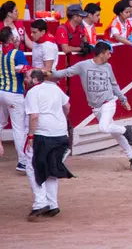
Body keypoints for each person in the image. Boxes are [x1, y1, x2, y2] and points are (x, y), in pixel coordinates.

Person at [49, 42, 132, 173]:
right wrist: (49, 74)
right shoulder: (83, 66)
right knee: (115, 133)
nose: (110, 56)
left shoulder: (108, 67)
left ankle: (126, 129)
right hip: (96, 107)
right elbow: (66, 72)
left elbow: (114, 85)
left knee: (103, 127)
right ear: (102, 54)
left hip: (108, 102)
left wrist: (122, 99)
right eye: (108, 53)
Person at [23, 69, 74, 221]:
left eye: (27, 77)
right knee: (51, 167)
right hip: (60, 133)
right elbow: (67, 106)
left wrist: (31, 135)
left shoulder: (33, 93)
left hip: (42, 134)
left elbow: (34, 116)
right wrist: (60, 120)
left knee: (32, 167)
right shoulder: (54, 88)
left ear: (34, 80)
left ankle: (40, 203)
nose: (25, 80)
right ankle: (53, 204)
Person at [0, 27, 31, 172]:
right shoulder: (17, 54)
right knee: (19, 129)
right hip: (14, 94)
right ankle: (22, 161)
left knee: (0, 123)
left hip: (1, 92)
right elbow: (26, 73)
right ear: (12, 39)